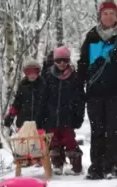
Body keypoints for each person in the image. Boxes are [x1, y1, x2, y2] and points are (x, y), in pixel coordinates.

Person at [77, 1, 117, 180]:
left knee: (113, 130)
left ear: (116, 16)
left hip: (116, 93)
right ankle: (96, 166)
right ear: (100, 16)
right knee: (97, 131)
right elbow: (83, 63)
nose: (108, 17)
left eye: (112, 13)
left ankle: (111, 166)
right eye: (105, 13)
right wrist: (80, 87)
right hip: (95, 93)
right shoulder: (92, 37)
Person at [36, 46, 86, 175]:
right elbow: (42, 98)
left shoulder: (74, 78)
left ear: (69, 61)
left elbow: (80, 99)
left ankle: (76, 165)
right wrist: (40, 116)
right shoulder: (48, 77)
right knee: (54, 141)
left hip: (68, 117)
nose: (62, 64)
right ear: (54, 62)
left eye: (65, 61)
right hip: (51, 117)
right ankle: (57, 163)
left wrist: (78, 116)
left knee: (69, 140)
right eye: (59, 61)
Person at [3, 59, 45, 129]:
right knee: (25, 140)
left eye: (35, 72)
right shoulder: (22, 86)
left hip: (40, 124)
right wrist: (10, 116)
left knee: (39, 140)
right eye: (29, 72)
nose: (32, 75)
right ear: (25, 73)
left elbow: (48, 104)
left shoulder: (43, 85)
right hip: (24, 123)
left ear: (38, 72)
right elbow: (17, 103)